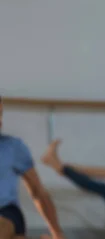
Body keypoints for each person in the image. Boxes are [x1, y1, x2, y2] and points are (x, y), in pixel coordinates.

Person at [0, 96, 65, 239]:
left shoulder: (13, 147)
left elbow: (38, 192)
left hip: (6, 213)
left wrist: (57, 233)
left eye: (0, 114)